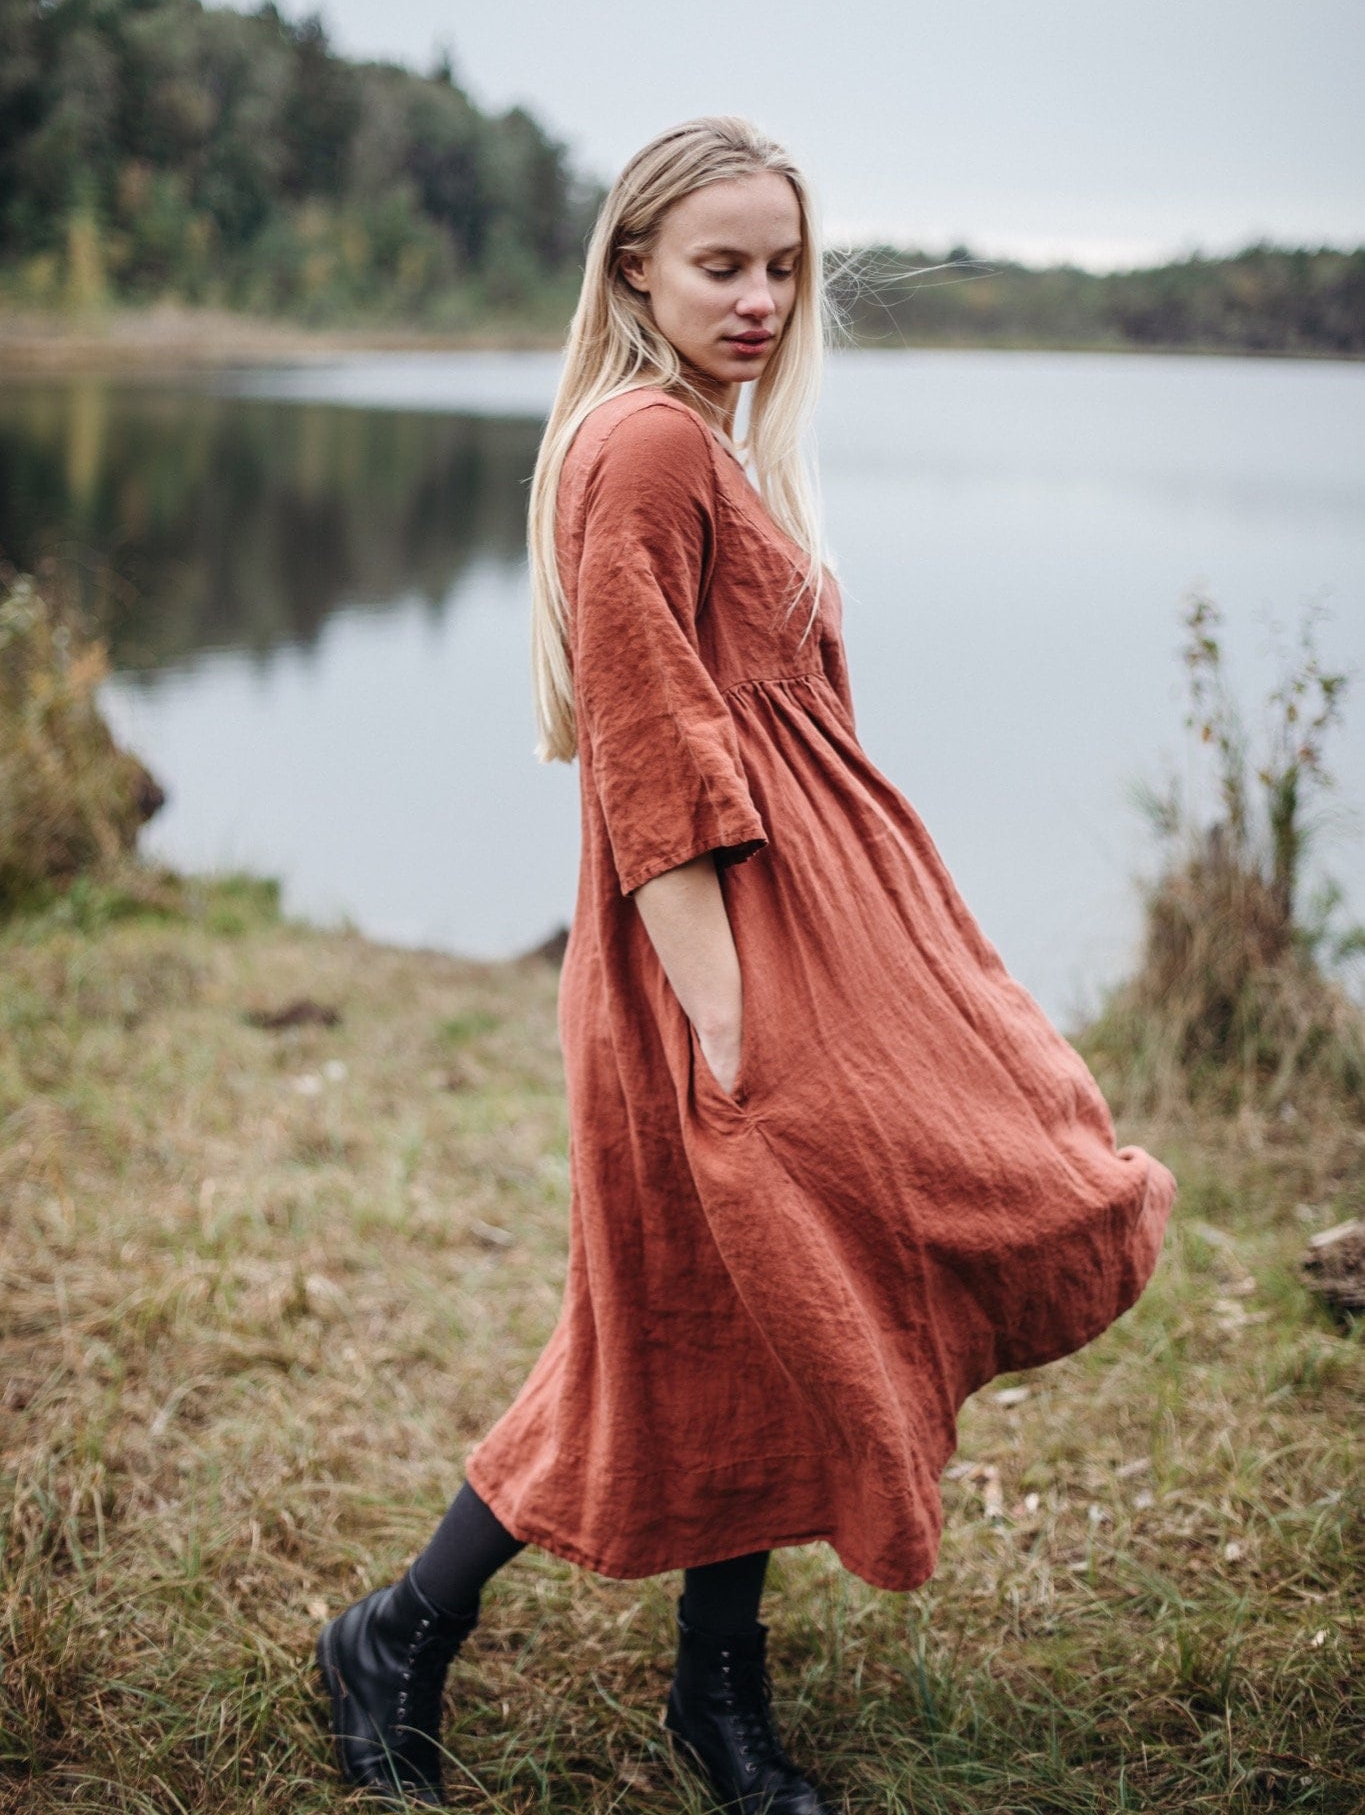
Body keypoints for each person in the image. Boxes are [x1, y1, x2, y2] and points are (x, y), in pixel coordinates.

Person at [315, 117, 1177, 1812]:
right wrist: (729, 1023)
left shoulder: (697, 438)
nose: (763, 297)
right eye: (722, 265)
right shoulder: (642, 445)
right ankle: (400, 1632)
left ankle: (713, 1701)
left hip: (791, 940)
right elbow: (647, 746)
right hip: (715, 960)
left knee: (755, 1317)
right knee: (682, 1322)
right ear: (633, 264)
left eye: (782, 265)